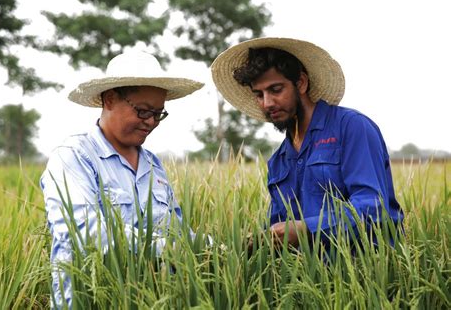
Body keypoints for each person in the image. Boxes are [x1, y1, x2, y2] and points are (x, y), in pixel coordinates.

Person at [40, 50, 203, 308]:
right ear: (110, 99)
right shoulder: (74, 158)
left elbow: (176, 231)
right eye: (143, 111)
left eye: (158, 113)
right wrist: (169, 249)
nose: (151, 122)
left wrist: (213, 248)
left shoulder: (153, 165)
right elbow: (88, 234)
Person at [210, 37, 403, 250]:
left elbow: (373, 206)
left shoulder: (352, 128)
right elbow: (280, 230)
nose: (267, 103)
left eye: (276, 89)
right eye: (259, 94)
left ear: (301, 83)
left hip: (365, 270)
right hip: (307, 276)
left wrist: (307, 228)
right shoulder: (279, 160)